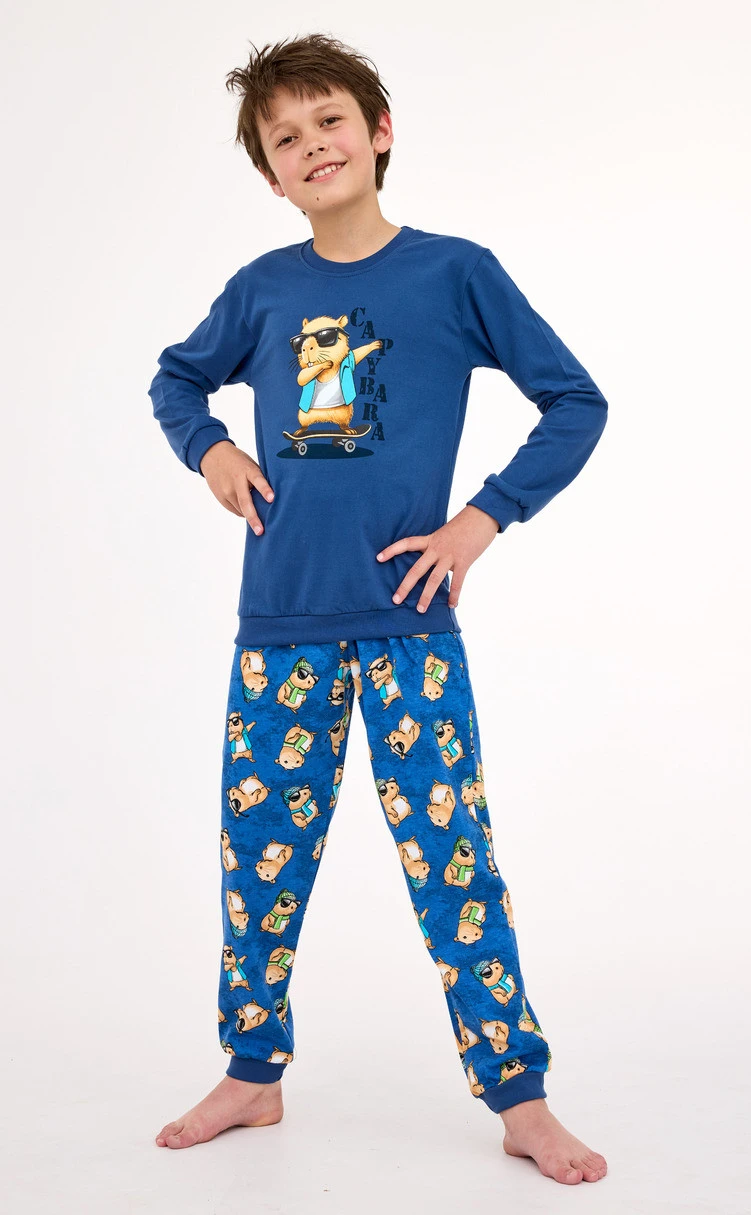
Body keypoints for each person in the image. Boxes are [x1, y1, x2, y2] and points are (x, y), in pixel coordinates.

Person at [148, 32, 609, 1185]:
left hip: (410, 625)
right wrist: (209, 449)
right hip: (281, 626)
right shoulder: (263, 291)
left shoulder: (455, 275)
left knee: (456, 866)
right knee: (258, 868)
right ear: (270, 174)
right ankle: (252, 1073)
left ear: (380, 131)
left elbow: (575, 401)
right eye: (285, 138)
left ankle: (518, 1095)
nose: (312, 146)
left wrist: (482, 519)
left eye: (330, 122)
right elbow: (175, 376)